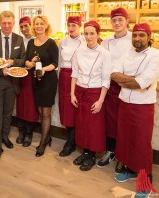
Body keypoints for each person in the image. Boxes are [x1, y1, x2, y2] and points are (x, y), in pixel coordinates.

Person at [112, 23, 159, 197]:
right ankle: (130, 170)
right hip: (125, 103)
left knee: (141, 144)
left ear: (149, 37)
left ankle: (145, 182)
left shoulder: (155, 56)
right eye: (135, 35)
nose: (137, 39)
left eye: (141, 35)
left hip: (143, 107)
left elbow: (143, 82)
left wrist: (132, 81)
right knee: (125, 140)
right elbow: (114, 74)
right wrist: (133, 80)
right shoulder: (127, 54)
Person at [0, 10, 25, 161]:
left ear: (13, 23)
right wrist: (2, 71)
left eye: (9, 23)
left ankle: (4, 137)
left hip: (12, 82)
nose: (7, 26)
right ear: (0, 23)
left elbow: (22, 59)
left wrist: (13, 63)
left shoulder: (19, 39)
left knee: (8, 113)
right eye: (4, 23)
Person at [71, 21, 111, 171]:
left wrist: (100, 100)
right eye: (86, 33)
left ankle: (92, 156)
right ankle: (85, 152)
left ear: (98, 35)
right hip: (80, 91)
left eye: (92, 33)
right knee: (81, 124)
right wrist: (71, 93)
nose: (88, 37)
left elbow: (106, 80)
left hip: (95, 92)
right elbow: (74, 74)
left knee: (93, 127)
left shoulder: (105, 54)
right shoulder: (79, 51)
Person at [98, 8, 133, 171]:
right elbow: (103, 63)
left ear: (126, 21)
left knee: (125, 122)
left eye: (120, 19)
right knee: (111, 120)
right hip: (111, 86)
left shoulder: (135, 38)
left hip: (128, 86)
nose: (117, 23)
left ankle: (123, 155)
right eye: (114, 20)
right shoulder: (107, 41)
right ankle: (111, 151)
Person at [25, 15, 59, 157]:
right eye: (36, 24)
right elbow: (26, 62)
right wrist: (31, 62)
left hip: (48, 80)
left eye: (41, 24)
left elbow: (55, 63)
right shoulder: (31, 43)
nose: (39, 26)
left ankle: (43, 142)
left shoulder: (51, 43)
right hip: (36, 80)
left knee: (46, 112)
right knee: (40, 110)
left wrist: (44, 69)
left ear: (46, 26)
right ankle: (47, 136)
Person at [58, 16, 85, 157]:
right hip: (64, 77)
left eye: (74, 25)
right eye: (69, 25)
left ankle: (71, 142)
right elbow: (58, 61)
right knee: (65, 109)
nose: (71, 28)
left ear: (80, 26)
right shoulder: (62, 42)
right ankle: (71, 139)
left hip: (78, 78)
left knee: (75, 109)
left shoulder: (85, 42)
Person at [16, 16, 39, 147]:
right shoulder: (18, 40)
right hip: (19, 76)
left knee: (31, 106)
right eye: (21, 27)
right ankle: (21, 131)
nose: (24, 29)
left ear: (31, 26)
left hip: (32, 76)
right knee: (20, 105)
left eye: (26, 26)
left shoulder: (37, 40)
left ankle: (29, 132)